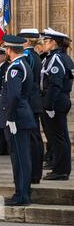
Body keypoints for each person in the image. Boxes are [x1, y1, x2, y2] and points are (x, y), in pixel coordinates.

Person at [0, 35, 36, 206]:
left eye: (5, 48)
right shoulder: (23, 64)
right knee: (22, 156)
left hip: (17, 118)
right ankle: (23, 191)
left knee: (19, 158)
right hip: (21, 116)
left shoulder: (15, 67)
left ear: (9, 50)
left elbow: (14, 95)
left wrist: (10, 118)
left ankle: (21, 195)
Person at [40, 28, 73, 181]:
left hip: (56, 100)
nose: (44, 44)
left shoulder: (56, 59)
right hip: (61, 99)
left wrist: (48, 105)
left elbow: (55, 84)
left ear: (54, 43)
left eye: (46, 41)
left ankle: (60, 170)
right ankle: (62, 168)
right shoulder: (63, 57)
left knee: (58, 138)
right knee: (61, 137)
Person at [19, 29, 44, 184]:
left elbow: (25, 80)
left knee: (32, 139)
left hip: (29, 101)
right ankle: (35, 173)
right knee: (35, 138)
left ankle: (33, 173)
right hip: (34, 101)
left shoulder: (27, 56)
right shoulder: (34, 55)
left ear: (26, 41)